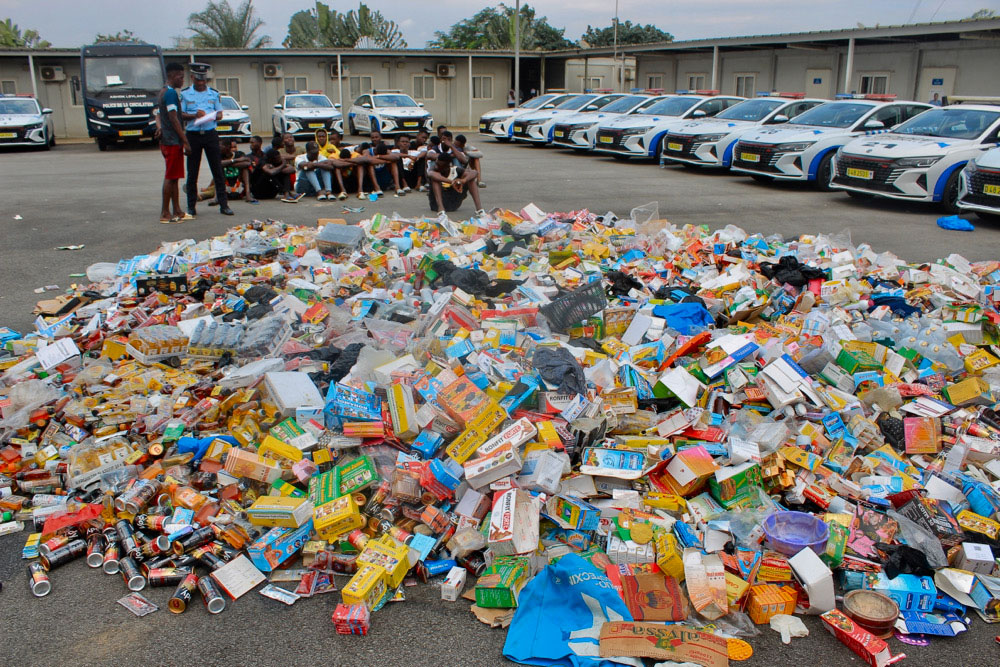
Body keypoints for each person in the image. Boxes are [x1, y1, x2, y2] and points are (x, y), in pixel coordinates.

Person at [180, 62, 232, 217]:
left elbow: (220, 114)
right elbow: (181, 114)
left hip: (210, 134)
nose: (201, 82)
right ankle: (191, 206)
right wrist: (194, 115)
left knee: (217, 170)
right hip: (193, 135)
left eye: (203, 79)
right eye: (198, 79)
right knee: (192, 172)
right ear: (192, 77)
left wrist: (212, 116)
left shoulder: (214, 94)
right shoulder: (185, 94)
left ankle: (224, 205)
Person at [154, 62, 191, 223]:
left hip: (168, 140)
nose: (182, 80)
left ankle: (177, 210)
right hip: (172, 141)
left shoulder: (163, 92)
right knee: (170, 176)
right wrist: (185, 140)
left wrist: (160, 127)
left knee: (175, 176)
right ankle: (165, 212)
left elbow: (157, 114)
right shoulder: (170, 94)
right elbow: (173, 118)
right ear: (172, 76)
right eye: (180, 77)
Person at [426, 151, 485, 215]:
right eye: (436, 164)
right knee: (435, 180)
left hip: (453, 202)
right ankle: (441, 209)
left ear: (447, 166)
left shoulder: (456, 170)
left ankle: (479, 210)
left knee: (470, 179)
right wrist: (452, 182)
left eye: (439, 165)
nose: (436, 167)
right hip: (436, 205)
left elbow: (475, 172)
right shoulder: (433, 169)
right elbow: (431, 174)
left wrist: (463, 180)